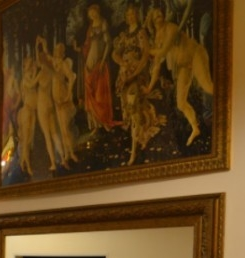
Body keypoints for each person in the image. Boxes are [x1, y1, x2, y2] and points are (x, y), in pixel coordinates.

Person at [144, 6, 214, 146]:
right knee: (181, 103)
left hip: (195, 54)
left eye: (159, 13)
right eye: (155, 15)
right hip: (184, 65)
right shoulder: (157, 38)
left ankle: (229, 102)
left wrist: (148, 51)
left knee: (207, 86)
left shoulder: (171, 27)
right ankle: (195, 128)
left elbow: (163, 51)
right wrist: (149, 88)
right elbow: (157, 65)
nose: (158, 15)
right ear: (151, 20)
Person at [112, 4, 166, 165]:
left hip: (136, 77)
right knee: (130, 113)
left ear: (137, 15)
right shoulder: (124, 35)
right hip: (124, 77)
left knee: (134, 111)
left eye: (133, 14)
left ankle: (134, 151)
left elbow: (145, 56)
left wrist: (135, 73)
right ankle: (137, 142)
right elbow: (114, 54)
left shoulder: (141, 33)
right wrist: (122, 63)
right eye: (128, 14)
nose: (131, 17)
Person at [79, 4, 117, 133]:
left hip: (99, 63)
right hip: (89, 64)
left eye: (93, 12)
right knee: (91, 95)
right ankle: (95, 124)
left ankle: (104, 121)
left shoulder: (103, 23)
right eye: (90, 13)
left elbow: (108, 44)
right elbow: (87, 45)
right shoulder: (90, 27)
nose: (92, 15)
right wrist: (80, 49)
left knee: (101, 95)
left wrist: (102, 61)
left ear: (98, 11)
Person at [34, 36, 64, 172]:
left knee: (47, 136)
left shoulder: (41, 74)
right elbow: (43, 59)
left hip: (42, 105)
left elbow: (30, 84)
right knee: (55, 134)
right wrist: (40, 47)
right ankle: (62, 158)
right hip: (50, 104)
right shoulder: (51, 72)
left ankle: (53, 163)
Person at [49, 41, 79, 168]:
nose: (56, 52)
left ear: (62, 53)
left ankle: (71, 153)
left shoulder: (63, 64)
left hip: (62, 97)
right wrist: (43, 45)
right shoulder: (54, 62)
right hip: (57, 100)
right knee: (62, 129)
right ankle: (67, 154)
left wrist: (68, 93)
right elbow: (47, 56)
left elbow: (71, 77)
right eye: (55, 50)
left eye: (58, 50)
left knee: (65, 128)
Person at [16, 55, 38, 177]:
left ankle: (23, 161)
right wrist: (36, 73)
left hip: (32, 111)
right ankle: (27, 165)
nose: (31, 68)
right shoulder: (25, 79)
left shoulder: (29, 77)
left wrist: (34, 72)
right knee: (25, 140)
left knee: (29, 140)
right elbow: (32, 83)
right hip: (26, 111)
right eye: (29, 66)